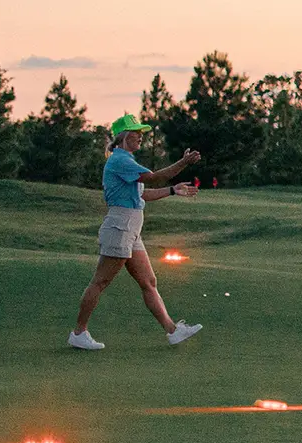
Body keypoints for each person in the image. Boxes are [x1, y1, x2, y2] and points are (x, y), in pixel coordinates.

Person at [71, 114, 204, 350]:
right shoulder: (120, 160)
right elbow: (154, 177)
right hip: (120, 225)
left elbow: (143, 194)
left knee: (149, 281)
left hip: (131, 228)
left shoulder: (127, 162)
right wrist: (183, 163)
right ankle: (79, 333)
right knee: (100, 282)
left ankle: (172, 330)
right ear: (122, 137)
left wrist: (172, 190)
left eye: (141, 132)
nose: (140, 136)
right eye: (135, 133)